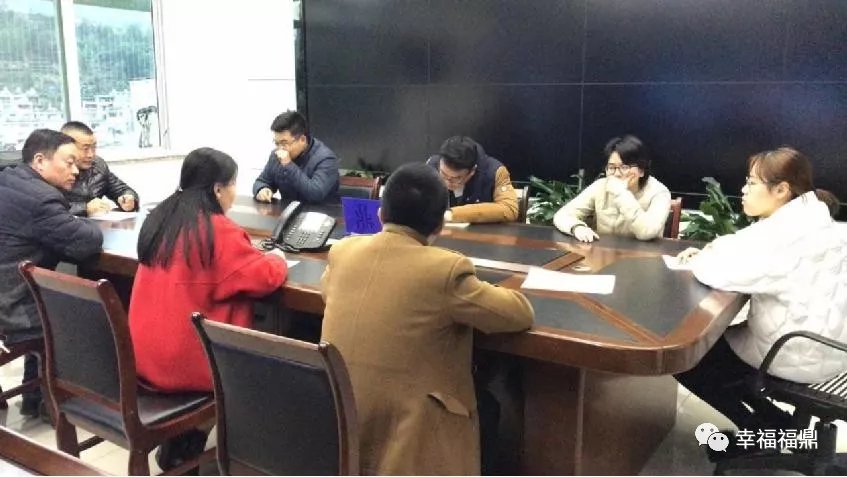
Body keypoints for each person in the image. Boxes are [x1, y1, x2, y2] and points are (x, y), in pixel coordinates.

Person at [320, 162, 535, 475]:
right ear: (439, 227)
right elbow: (518, 314)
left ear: (380, 214)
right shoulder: (445, 270)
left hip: (337, 415)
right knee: (488, 405)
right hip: (410, 433)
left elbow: (327, 293)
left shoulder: (343, 251)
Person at [129, 147, 288, 471]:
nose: (234, 192)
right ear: (217, 189)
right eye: (233, 184)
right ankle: (211, 443)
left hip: (143, 357)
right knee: (274, 357)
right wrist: (278, 258)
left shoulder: (162, 217)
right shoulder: (218, 230)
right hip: (187, 364)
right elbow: (265, 277)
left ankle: (185, 440)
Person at [674, 147, 846, 437]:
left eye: (751, 183)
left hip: (795, 353)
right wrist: (712, 250)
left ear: (781, 190)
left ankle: (756, 430)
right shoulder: (814, 221)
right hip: (832, 351)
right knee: (715, 351)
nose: (744, 190)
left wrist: (701, 260)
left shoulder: (788, 237)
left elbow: (722, 274)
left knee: (689, 356)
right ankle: (775, 421)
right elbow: (743, 243)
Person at [0, 129, 103, 417]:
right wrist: (83, 219)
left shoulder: (8, 180)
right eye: (69, 162)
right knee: (96, 309)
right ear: (40, 161)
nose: (76, 171)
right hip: (12, 306)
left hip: (6, 291)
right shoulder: (41, 198)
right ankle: (58, 401)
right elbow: (87, 243)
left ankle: (34, 396)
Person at [553, 135, 671, 242]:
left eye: (624, 167)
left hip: (643, 255)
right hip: (603, 253)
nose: (617, 174)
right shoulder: (600, 186)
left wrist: (621, 193)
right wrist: (576, 227)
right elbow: (562, 215)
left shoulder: (659, 192)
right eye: (611, 167)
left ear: (641, 170)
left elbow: (647, 232)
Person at [426, 136, 519, 223]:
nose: (447, 182)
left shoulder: (495, 171)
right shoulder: (431, 166)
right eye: (443, 174)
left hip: (481, 233)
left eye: (456, 178)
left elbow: (510, 209)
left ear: (472, 171)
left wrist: (450, 215)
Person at [252, 110, 339, 204]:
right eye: (277, 143)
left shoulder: (326, 159)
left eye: (284, 143)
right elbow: (261, 181)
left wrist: (288, 165)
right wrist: (262, 189)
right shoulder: (276, 155)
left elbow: (315, 193)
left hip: (321, 211)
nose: (280, 148)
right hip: (288, 209)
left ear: (302, 139)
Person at [60, 121, 139, 217]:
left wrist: (129, 199)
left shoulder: (98, 165)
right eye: (85, 149)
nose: (91, 155)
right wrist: (84, 208)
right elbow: (49, 210)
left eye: (94, 147)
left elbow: (122, 190)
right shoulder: (54, 170)